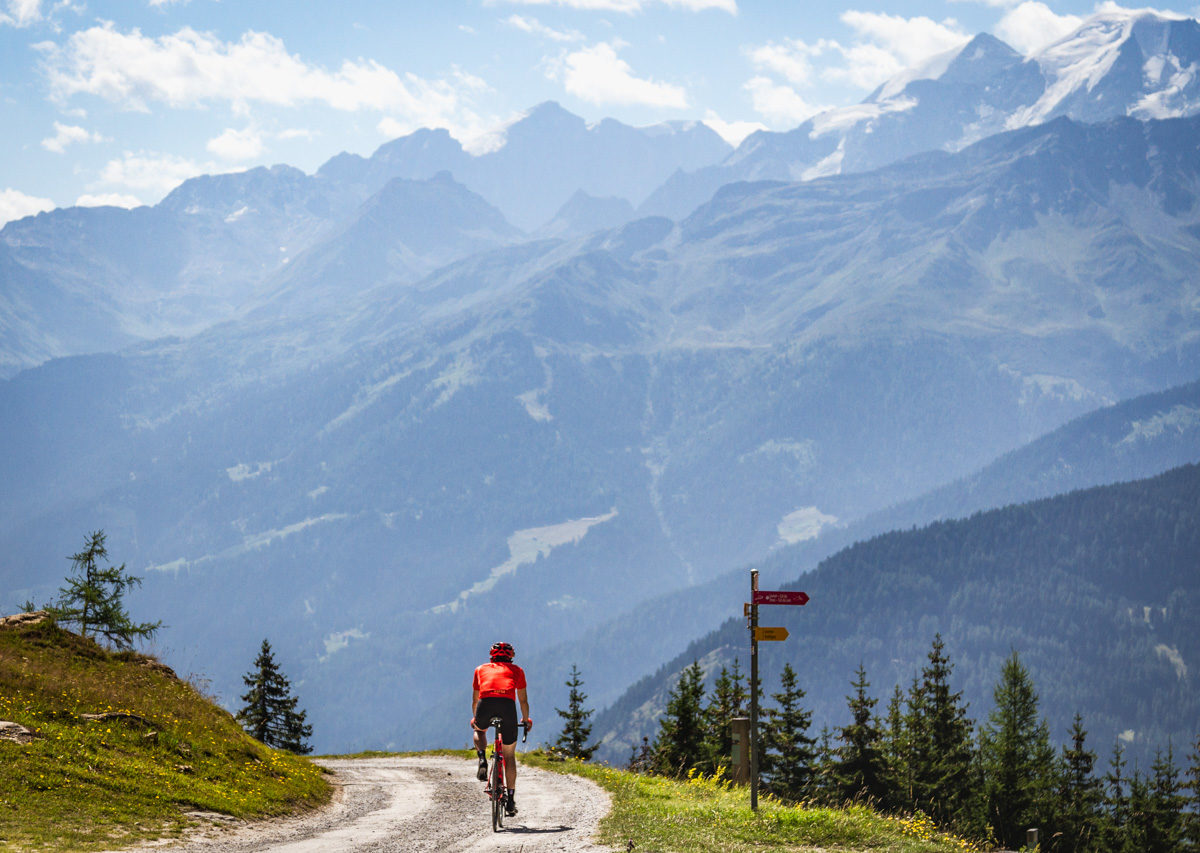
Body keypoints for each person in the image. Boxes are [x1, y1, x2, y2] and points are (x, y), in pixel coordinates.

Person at [471, 641, 532, 817]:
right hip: (507, 708)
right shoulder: (517, 671)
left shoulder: (480, 669)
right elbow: (523, 701)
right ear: (511, 656)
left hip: (485, 704)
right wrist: (526, 719)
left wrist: (476, 718)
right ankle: (511, 799)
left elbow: (475, 700)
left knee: (479, 730)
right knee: (509, 755)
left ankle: (482, 758)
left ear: (492, 656)